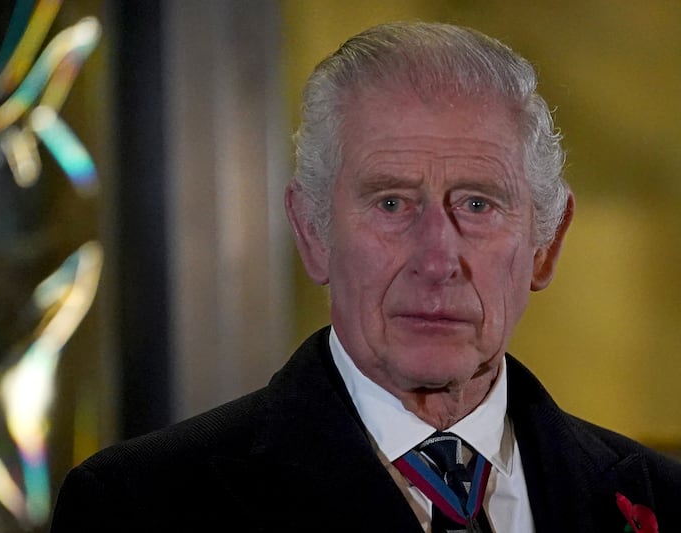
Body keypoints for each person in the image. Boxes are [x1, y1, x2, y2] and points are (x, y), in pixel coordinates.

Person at [50, 21, 681, 532]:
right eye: (391, 204)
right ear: (313, 232)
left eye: (478, 205)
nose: (437, 260)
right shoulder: (141, 508)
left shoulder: (660, 498)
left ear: (547, 244)